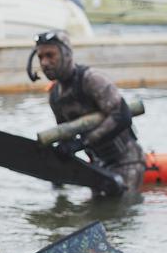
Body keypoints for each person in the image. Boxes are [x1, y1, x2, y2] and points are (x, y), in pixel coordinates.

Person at [30, 30, 145, 197]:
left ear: (66, 54)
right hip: (97, 165)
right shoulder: (55, 95)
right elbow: (66, 135)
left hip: (127, 160)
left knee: (120, 214)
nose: (45, 63)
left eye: (50, 55)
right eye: (40, 57)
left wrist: (82, 142)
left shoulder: (92, 80)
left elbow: (122, 116)